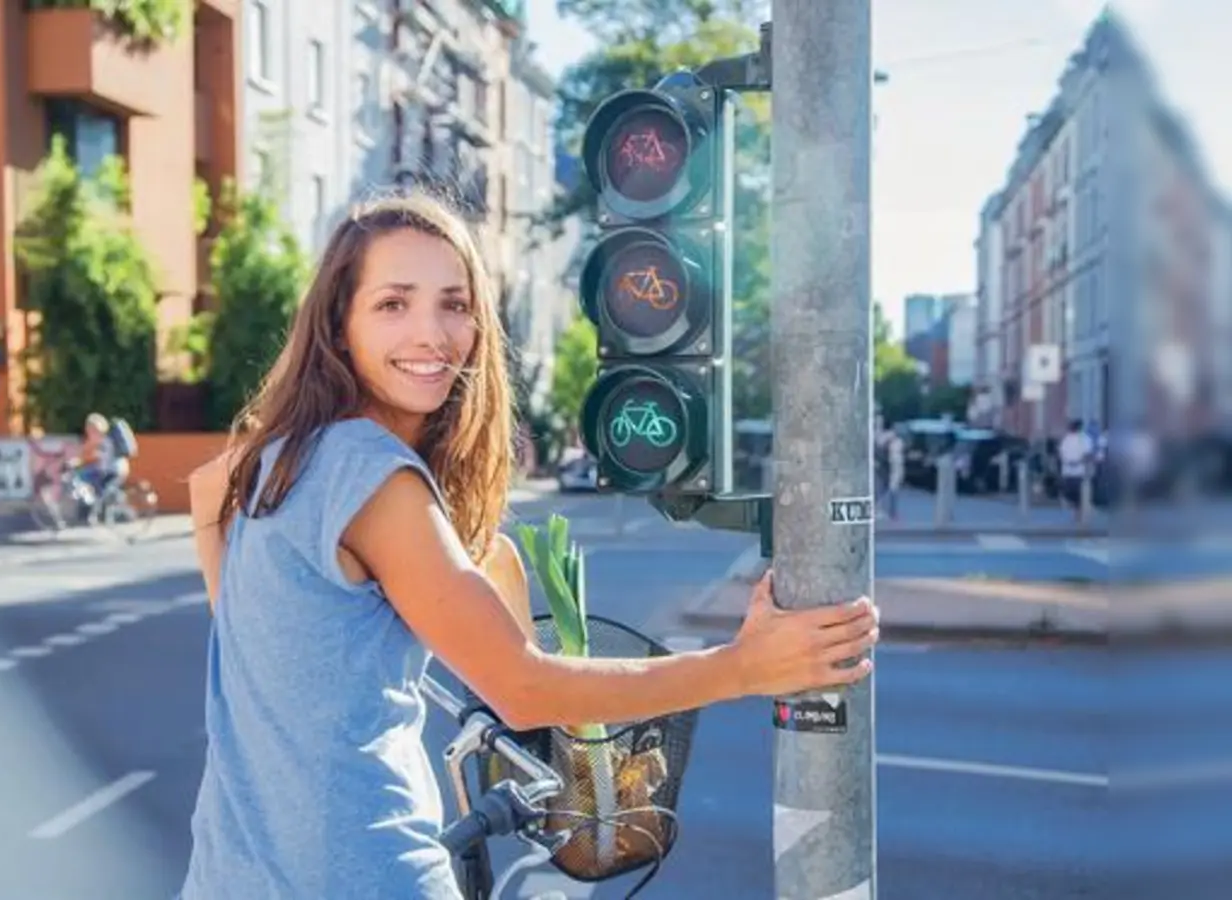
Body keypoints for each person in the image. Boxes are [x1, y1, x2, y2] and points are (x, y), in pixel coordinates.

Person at [178, 192, 879, 898]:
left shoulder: (282, 458)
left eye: (454, 305)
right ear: (340, 323)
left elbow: (208, 494)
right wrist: (744, 666)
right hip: (362, 875)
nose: (431, 334)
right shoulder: (369, 471)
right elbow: (521, 689)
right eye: (393, 304)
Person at [71, 412, 129, 524]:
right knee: (92, 482)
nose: (88, 432)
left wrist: (77, 463)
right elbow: (96, 457)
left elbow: (95, 457)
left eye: (90, 429)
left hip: (113, 471)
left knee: (97, 489)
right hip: (116, 470)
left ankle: (94, 515)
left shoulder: (103, 441)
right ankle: (104, 516)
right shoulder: (106, 440)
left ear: (96, 429)